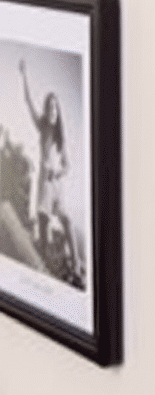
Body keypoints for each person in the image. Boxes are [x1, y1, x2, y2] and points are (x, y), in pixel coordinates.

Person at [18, 60, 77, 281]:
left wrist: (59, 173)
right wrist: (24, 75)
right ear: (46, 109)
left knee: (68, 221)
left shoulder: (61, 136)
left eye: (55, 107)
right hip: (43, 186)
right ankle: (45, 273)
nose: (52, 110)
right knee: (44, 233)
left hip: (56, 186)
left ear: (58, 110)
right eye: (50, 106)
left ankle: (76, 264)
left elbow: (68, 166)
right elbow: (27, 102)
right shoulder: (42, 127)